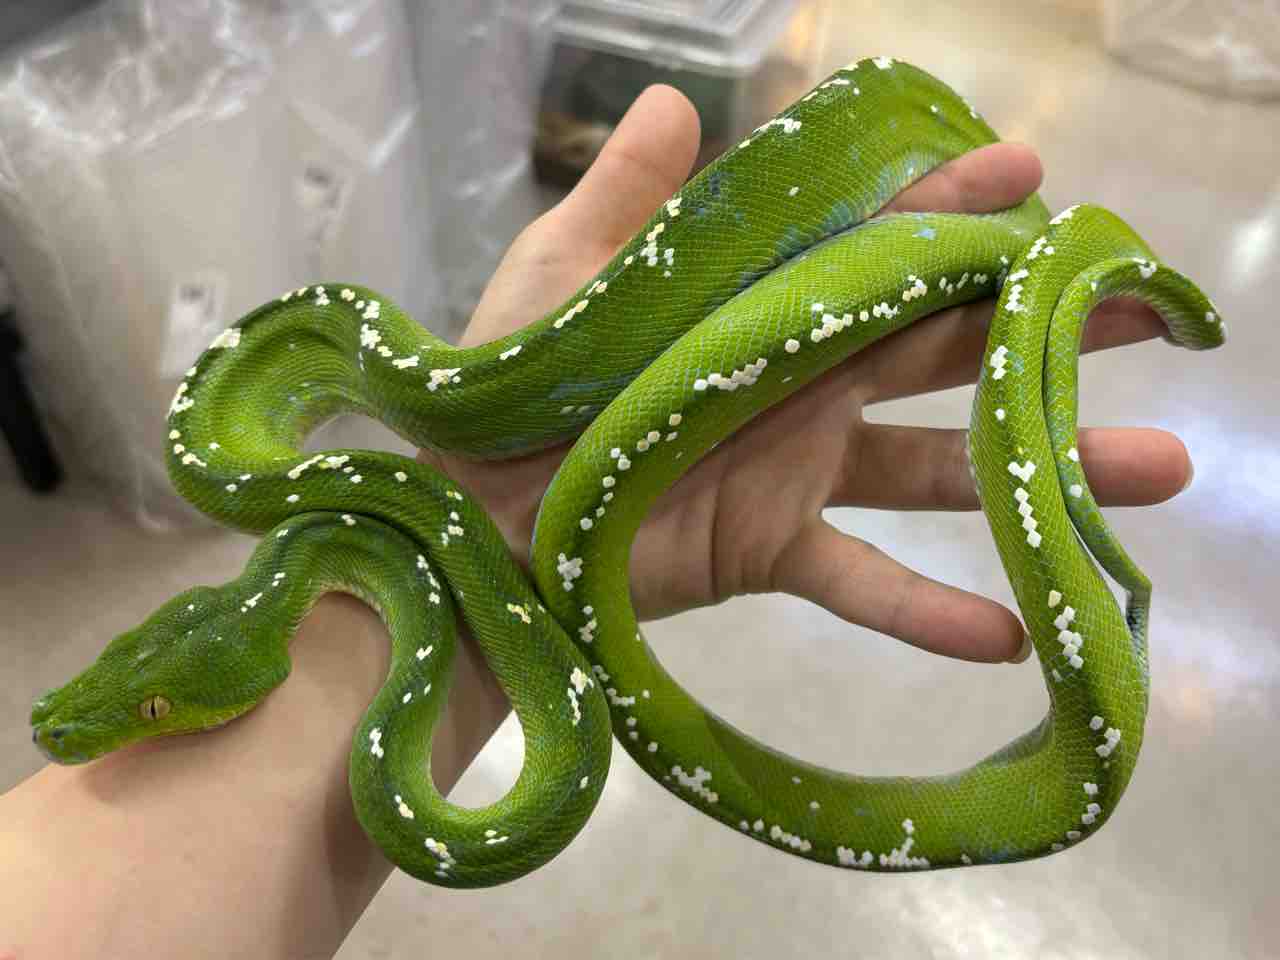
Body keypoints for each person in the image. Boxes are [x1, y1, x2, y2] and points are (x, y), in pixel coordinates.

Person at [0, 85, 1190, 958]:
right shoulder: (318, 519)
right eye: (153, 704)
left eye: (151, 705)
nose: (125, 719)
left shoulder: (321, 516)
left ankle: (1040, 271)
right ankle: (1034, 271)